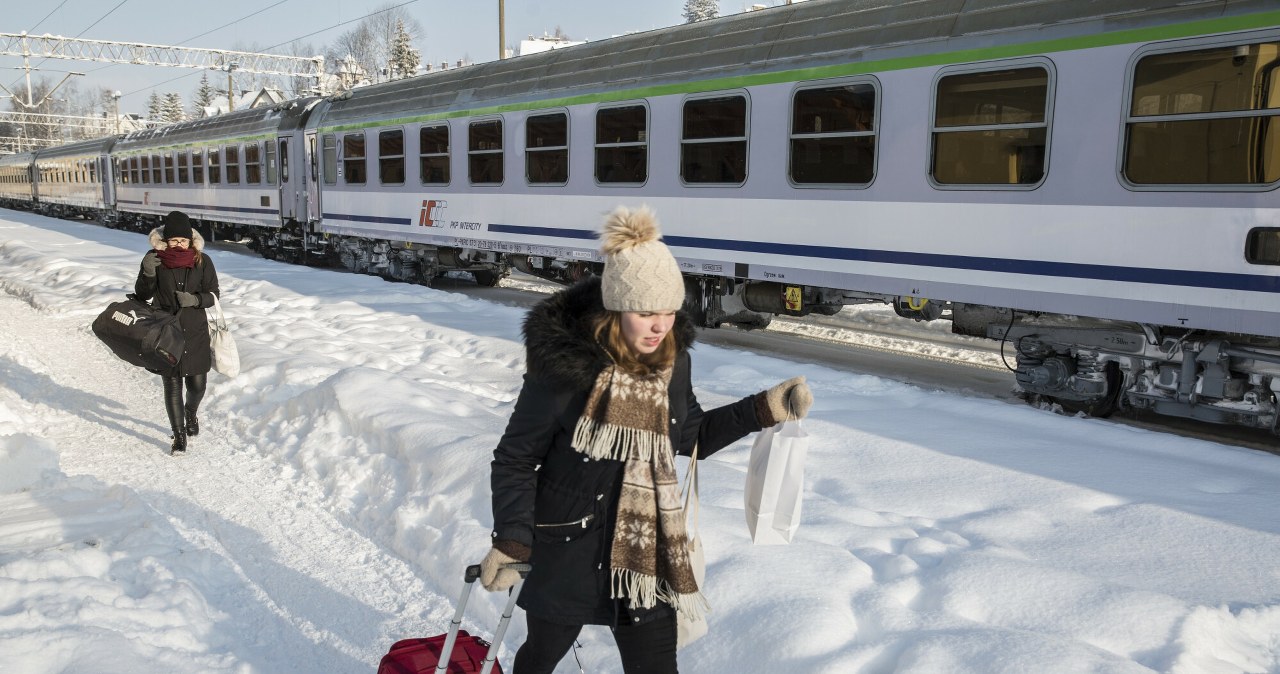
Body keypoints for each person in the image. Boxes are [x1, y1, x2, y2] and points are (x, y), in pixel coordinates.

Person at [482, 206, 812, 674]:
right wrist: (513, 539)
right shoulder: (562, 372)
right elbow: (514, 458)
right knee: (540, 658)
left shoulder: (673, 363)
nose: (661, 326)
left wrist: (763, 409)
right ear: (616, 309)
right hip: (568, 547)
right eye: (645, 313)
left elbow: (689, 435)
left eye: (669, 311)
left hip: (644, 550)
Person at [134, 210, 221, 455]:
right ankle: (179, 435)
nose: (179, 245)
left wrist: (194, 300)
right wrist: (148, 272)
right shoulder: (154, 259)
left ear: (191, 241)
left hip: (195, 332)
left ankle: (191, 413)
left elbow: (213, 296)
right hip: (165, 331)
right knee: (172, 385)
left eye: (183, 241)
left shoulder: (203, 261)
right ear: (166, 240)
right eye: (174, 241)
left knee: (197, 385)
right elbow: (142, 295)